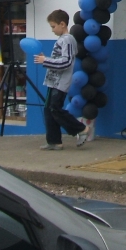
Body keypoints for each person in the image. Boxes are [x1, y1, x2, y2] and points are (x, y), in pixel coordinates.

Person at [34, 9, 89, 150]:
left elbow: (66, 62)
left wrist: (45, 61)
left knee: (55, 109)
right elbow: (59, 59)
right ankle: (54, 141)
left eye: (53, 26)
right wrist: (45, 59)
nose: (52, 30)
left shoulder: (68, 40)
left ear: (62, 24)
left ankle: (81, 129)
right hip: (53, 81)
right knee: (48, 109)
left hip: (60, 82)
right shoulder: (62, 40)